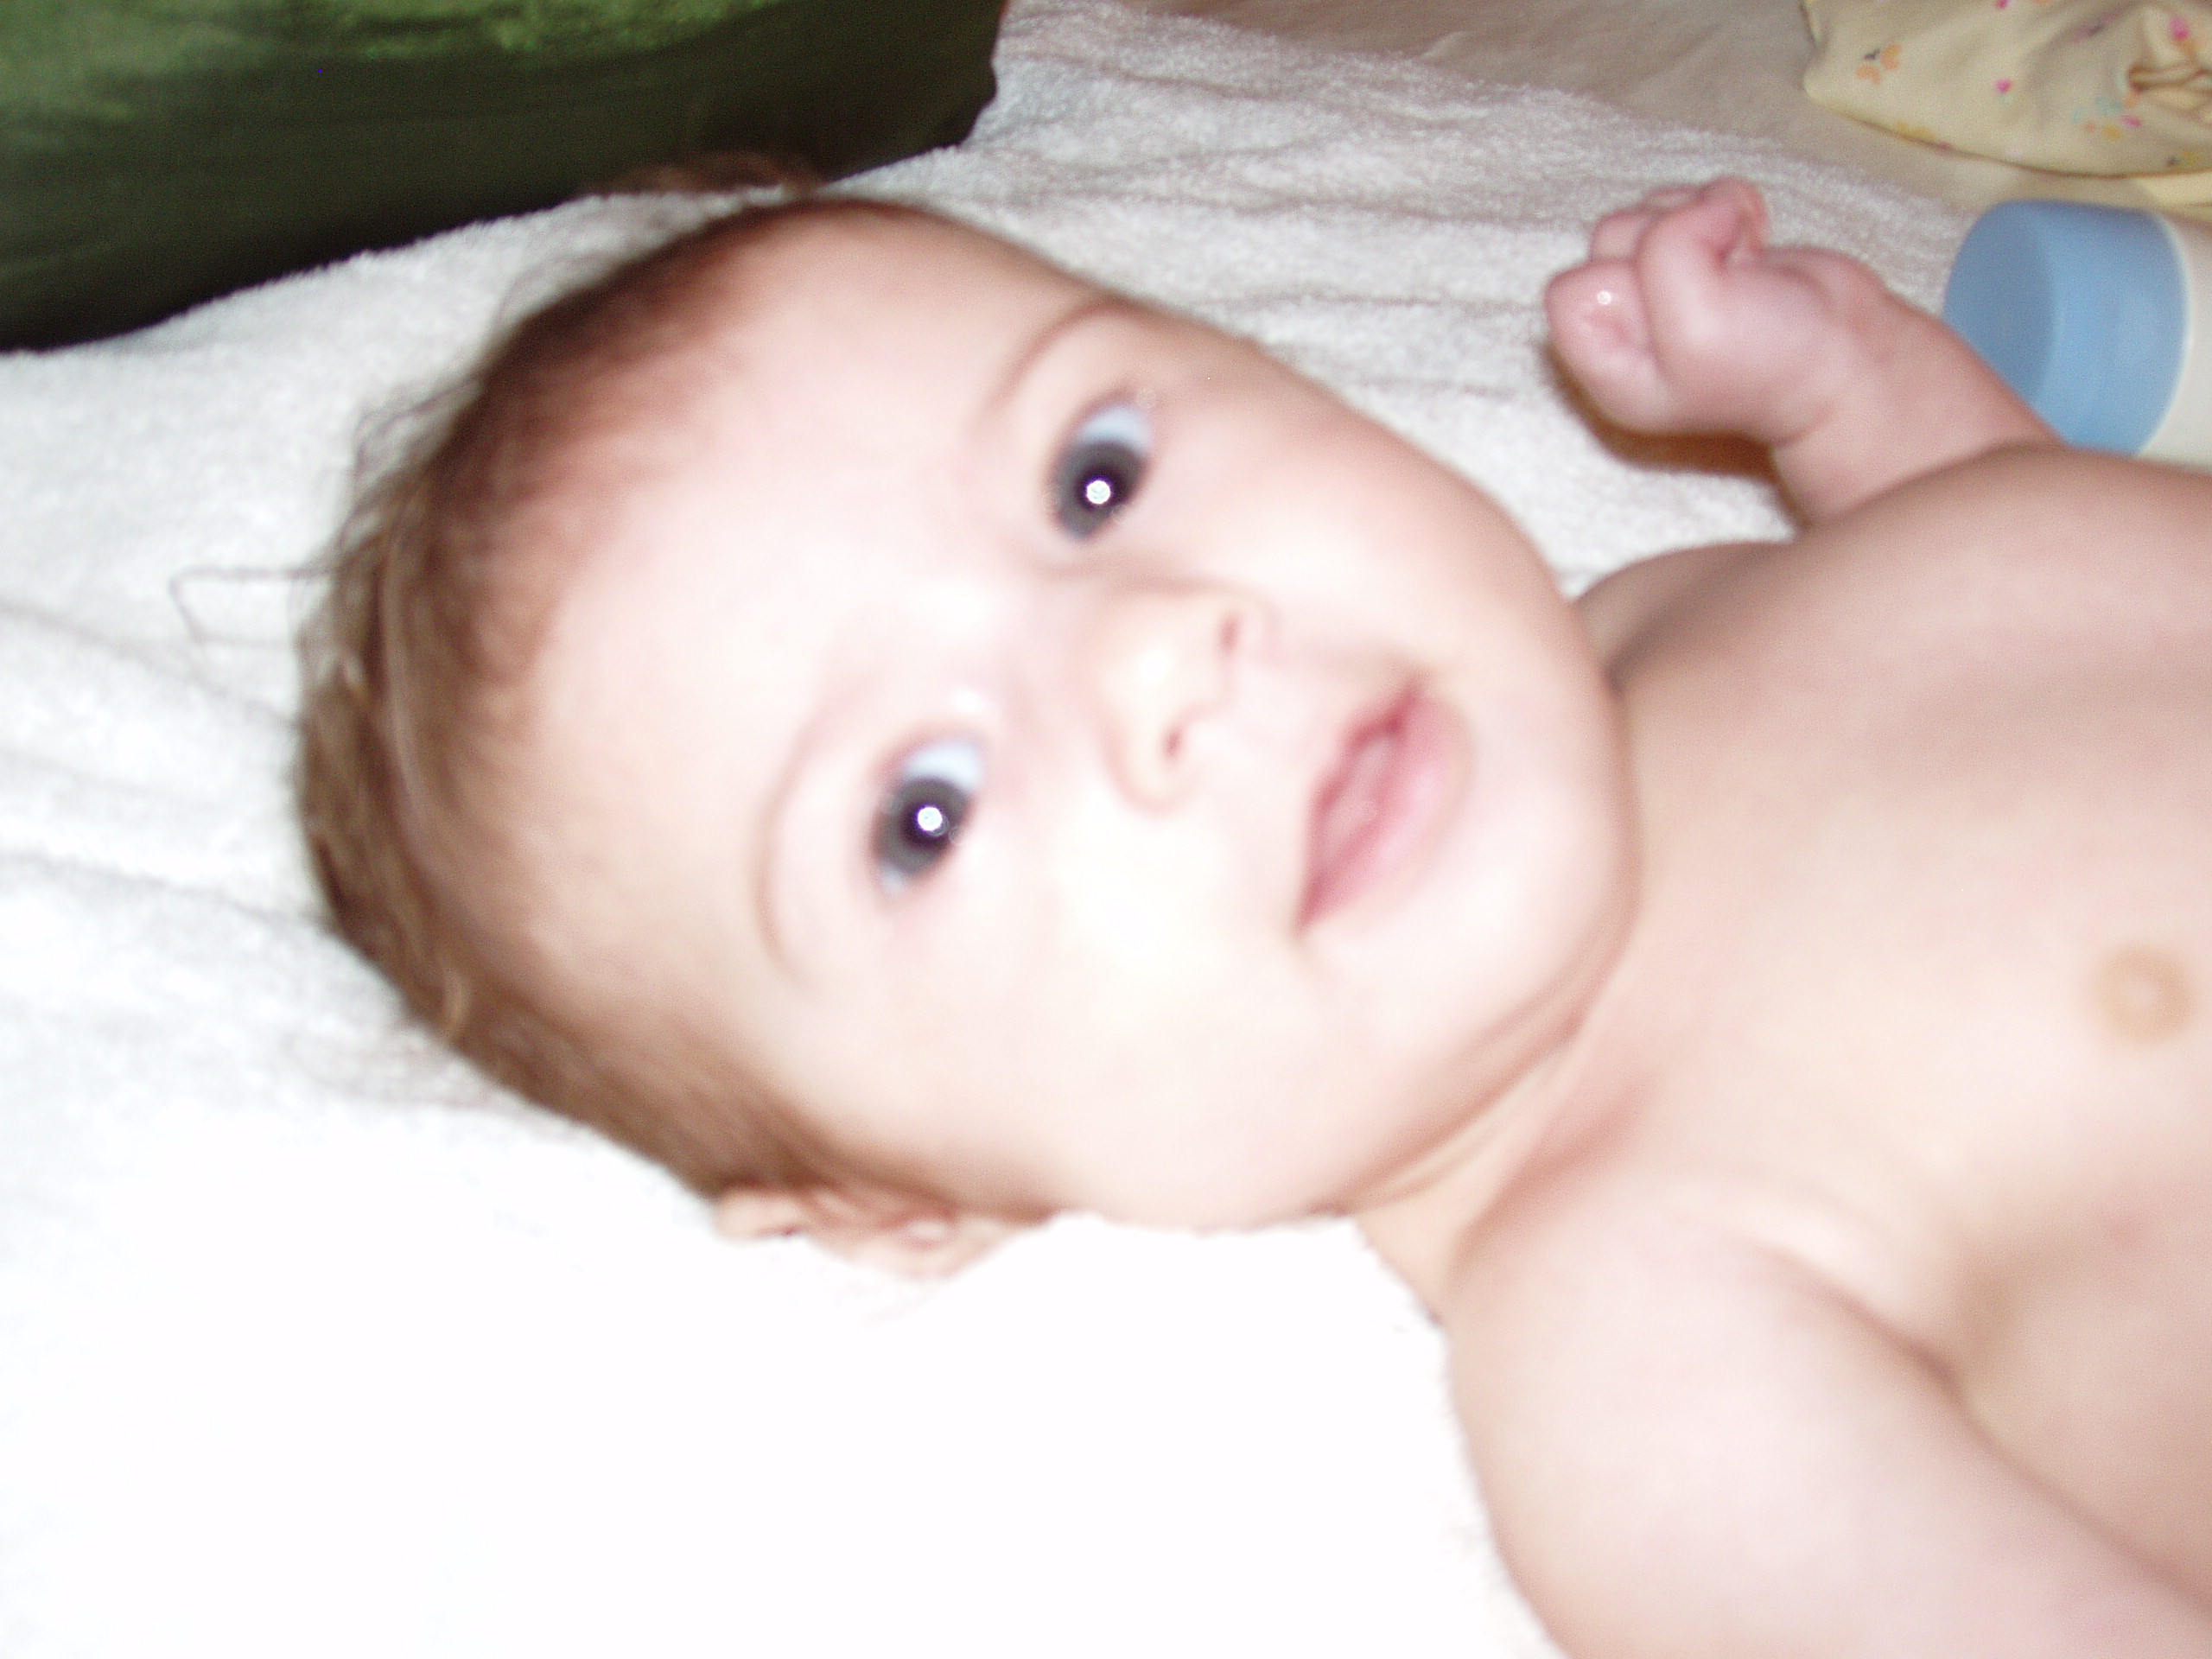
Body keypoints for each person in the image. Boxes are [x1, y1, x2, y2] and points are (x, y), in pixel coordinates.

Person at [297, 175, 2212, 1656]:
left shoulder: (1649, 618)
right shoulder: (1635, 1340)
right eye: (922, 812)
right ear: (899, 1195)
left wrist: (1851, 396)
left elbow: (2024, 578)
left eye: (1095, 476)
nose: (1153, 652)